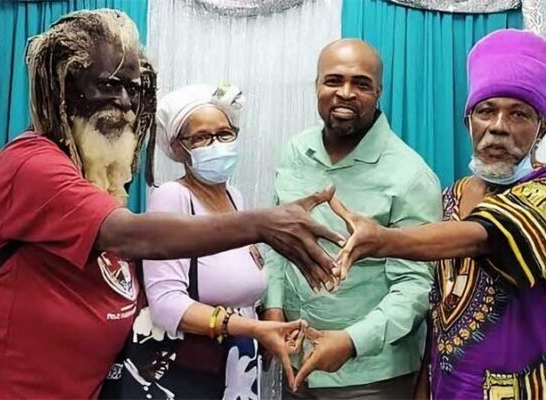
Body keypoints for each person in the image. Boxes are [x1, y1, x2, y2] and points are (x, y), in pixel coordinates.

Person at [0, 10, 345, 399]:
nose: (125, 102)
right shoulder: (33, 163)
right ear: (61, 89)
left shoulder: (99, 175)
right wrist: (264, 224)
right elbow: (127, 236)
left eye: (133, 87)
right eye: (107, 84)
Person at [299, 29, 546, 400]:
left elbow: (481, 236)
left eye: (519, 114)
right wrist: (423, 383)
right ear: (468, 122)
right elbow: (439, 304)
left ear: (542, 127)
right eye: (486, 111)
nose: (498, 126)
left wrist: (383, 240)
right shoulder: (452, 195)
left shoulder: (541, 193)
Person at [262, 38, 442, 399]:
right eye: (333, 81)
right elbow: (277, 240)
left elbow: (415, 287)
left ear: (379, 92)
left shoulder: (410, 175)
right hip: (295, 361)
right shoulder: (297, 150)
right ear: (316, 86)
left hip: (370, 377)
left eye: (361, 84)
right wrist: (273, 306)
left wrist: (352, 342)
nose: (345, 93)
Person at [102, 83, 305, 399]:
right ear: (179, 148)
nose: (217, 145)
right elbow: (166, 305)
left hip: (235, 368)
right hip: (189, 371)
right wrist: (253, 329)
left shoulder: (234, 198)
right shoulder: (173, 198)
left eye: (225, 134)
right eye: (202, 138)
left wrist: (269, 325)